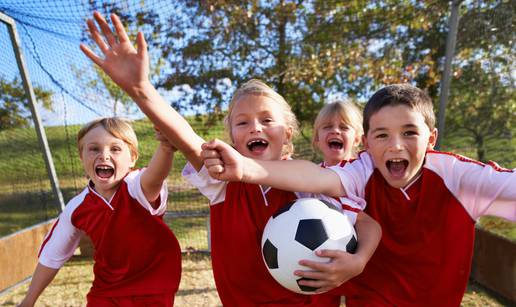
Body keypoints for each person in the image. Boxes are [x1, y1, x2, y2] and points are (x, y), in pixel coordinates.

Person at [79, 12, 381, 306]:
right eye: (243, 122)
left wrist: (358, 261)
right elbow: (183, 133)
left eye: (266, 119)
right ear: (233, 137)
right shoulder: (220, 178)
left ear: (287, 134)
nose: (255, 127)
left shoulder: (306, 183)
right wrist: (141, 89)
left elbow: (367, 225)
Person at [202, 83, 516, 306]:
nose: (395, 145)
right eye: (382, 135)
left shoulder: (459, 177)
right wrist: (244, 168)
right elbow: (317, 177)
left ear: (431, 138)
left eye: (409, 132)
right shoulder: (361, 170)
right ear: (367, 143)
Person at [18, 118, 181, 307]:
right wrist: (28, 301)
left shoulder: (136, 186)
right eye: (94, 149)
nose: (104, 155)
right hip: (106, 289)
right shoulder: (76, 208)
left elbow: (155, 177)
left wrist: (165, 148)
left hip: (152, 286)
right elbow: (52, 256)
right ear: (82, 157)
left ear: (132, 158)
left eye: (115, 149)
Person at [312, 100, 363, 166]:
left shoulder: (364, 171)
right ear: (317, 138)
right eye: (328, 127)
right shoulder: (313, 174)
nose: (335, 130)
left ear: (356, 139)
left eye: (344, 127)